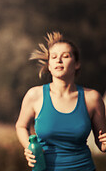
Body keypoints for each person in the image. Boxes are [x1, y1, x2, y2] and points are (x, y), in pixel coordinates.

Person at [15, 31, 106, 170]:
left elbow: (102, 144)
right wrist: (30, 147)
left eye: (65, 56)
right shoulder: (35, 95)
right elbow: (21, 126)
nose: (59, 60)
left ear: (76, 64)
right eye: (54, 57)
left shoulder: (92, 98)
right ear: (49, 65)